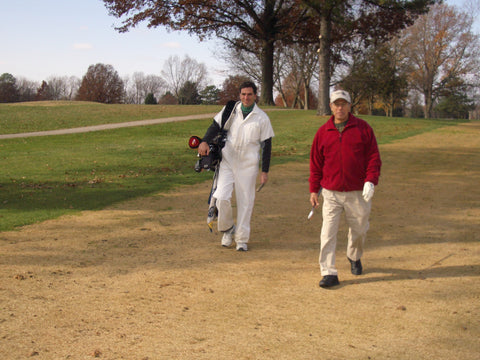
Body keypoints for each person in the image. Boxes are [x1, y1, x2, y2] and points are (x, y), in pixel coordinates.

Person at [309, 90, 381, 288]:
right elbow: (316, 163)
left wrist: (370, 180)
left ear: (350, 106)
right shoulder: (323, 132)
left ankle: (354, 256)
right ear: (331, 107)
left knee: (359, 231)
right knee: (327, 233)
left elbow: (374, 157)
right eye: (336, 104)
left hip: (357, 192)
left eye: (343, 104)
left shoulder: (363, 129)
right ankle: (328, 272)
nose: (340, 108)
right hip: (331, 192)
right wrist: (314, 190)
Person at [198, 81, 274, 251]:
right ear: (240, 95)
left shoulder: (262, 118)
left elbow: (267, 145)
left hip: (248, 165)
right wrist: (204, 141)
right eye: (243, 94)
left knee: (245, 202)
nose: (246, 98)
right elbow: (215, 126)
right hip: (228, 161)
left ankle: (241, 239)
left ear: (255, 96)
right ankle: (227, 229)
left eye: (249, 94)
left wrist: (265, 171)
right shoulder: (231, 110)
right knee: (221, 197)